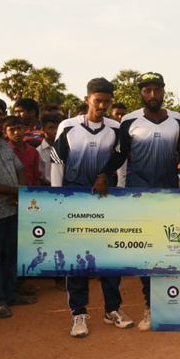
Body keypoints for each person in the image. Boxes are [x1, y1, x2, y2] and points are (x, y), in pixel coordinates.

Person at [94, 72, 180, 332]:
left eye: (157, 89)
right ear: (140, 93)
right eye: (147, 90)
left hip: (170, 196)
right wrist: (103, 174)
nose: (153, 95)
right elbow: (121, 154)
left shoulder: (177, 119)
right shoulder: (129, 120)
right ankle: (150, 306)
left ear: (164, 91)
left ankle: (168, 303)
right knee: (148, 252)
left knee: (168, 249)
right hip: (140, 196)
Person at [51, 78, 132, 338]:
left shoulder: (116, 128)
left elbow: (119, 164)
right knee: (77, 260)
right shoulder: (68, 126)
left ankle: (112, 309)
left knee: (110, 256)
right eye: (98, 100)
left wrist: (117, 190)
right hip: (74, 201)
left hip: (106, 201)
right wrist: (57, 200)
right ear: (87, 99)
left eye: (107, 101)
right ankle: (78, 313)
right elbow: (57, 164)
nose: (103, 105)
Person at [0, 106, 33, 318]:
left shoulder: (4, 147)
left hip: (12, 209)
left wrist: (21, 192)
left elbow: (19, 169)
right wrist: (16, 191)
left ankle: (9, 292)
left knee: (12, 254)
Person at [3, 116, 41, 186]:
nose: (16, 132)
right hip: (11, 193)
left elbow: (36, 177)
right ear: (5, 133)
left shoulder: (33, 151)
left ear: (25, 129)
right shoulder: (3, 151)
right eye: (12, 130)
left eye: (19, 128)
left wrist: (37, 194)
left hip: (29, 193)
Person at [36, 113, 63, 185]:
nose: (56, 131)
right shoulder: (38, 152)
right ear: (43, 129)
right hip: (46, 191)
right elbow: (38, 178)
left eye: (58, 128)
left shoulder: (67, 150)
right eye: (51, 128)